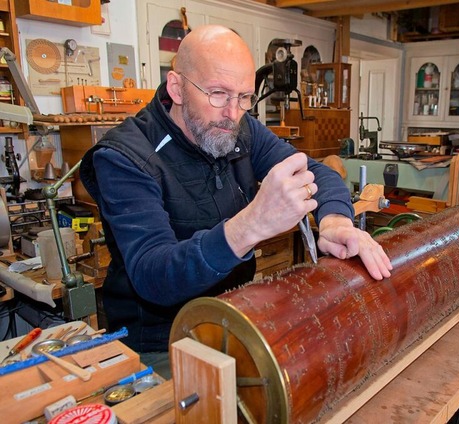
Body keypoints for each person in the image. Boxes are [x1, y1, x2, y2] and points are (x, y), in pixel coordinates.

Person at [79, 25, 392, 377]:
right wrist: (251, 225)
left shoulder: (239, 128)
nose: (233, 112)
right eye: (218, 94)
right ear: (177, 88)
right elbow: (155, 276)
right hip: (161, 343)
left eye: (244, 97)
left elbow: (316, 171)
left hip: (233, 319)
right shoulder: (124, 156)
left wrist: (335, 220)